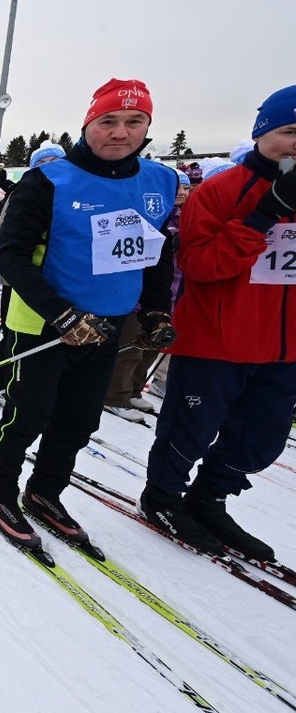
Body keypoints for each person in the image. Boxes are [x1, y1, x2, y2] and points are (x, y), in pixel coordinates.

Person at [0, 78, 178, 551]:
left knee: (80, 418)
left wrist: (154, 310)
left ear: (148, 127)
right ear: (88, 124)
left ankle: (45, 492)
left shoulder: (160, 180)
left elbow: (155, 249)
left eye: (134, 122)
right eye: (108, 121)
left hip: (108, 324)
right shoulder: (49, 179)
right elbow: (8, 254)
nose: (120, 132)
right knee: (27, 414)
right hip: (46, 324)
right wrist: (61, 315)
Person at [139, 84, 296, 561]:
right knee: (189, 428)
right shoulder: (221, 190)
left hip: (284, 346)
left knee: (261, 438)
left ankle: (210, 498)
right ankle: (162, 496)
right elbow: (202, 265)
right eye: (290, 131)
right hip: (218, 340)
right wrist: (265, 214)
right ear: (262, 133)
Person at [103, 167, 190, 422]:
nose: (182, 193)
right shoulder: (154, 215)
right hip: (139, 294)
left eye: (186, 188)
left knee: (154, 344)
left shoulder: (185, 217)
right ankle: (115, 395)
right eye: (177, 188)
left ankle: (134, 389)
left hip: (169, 292)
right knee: (131, 346)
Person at [0, 141, 66, 400]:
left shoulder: (70, 195)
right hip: (20, 280)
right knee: (13, 333)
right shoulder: (23, 192)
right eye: (43, 163)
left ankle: (31, 385)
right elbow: (1, 235)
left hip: (57, 280)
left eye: (55, 162)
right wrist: (12, 272)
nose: (49, 168)